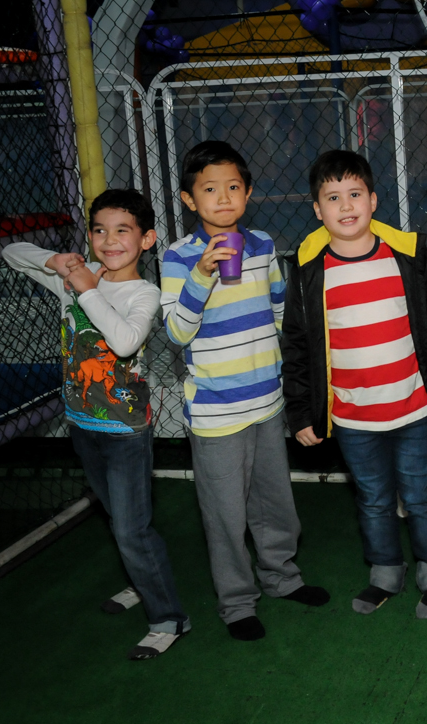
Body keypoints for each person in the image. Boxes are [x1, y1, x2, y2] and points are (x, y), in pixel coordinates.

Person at [3, 189, 190, 659]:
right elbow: (10, 252)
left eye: (122, 230)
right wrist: (61, 264)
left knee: (132, 528)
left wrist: (86, 286)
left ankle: (169, 616)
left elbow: (125, 342)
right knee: (120, 518)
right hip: (82, 424)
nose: (109, 240)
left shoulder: (145, 293)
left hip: (126, 432)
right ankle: (141, 582)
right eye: (99, 230)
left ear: (146, 240)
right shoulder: (75, 276)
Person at [281, 149, 427, 619]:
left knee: (422, 494)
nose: (347, 207)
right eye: (334, 197)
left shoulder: (405, 257)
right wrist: (301, 411)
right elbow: (298, 346)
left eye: (355, 194)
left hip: (413, 409)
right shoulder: (308, 274)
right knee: (374, 499)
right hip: (352, 418)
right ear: (317, 210)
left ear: (374, 199)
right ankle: (385, 571)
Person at [160, 140, 329, 641]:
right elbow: (176, 331)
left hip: (267, 402)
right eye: (209, 189)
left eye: (234, 186)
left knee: (275, 503)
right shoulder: (179, 256)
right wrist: (203, 274)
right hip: (215, 412)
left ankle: (282, 577)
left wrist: (294, 368)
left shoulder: (260, 244)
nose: (223, 197)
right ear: (190, 200)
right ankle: (236, 604)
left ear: (249, 192)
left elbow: (280, 311)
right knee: (225, 514)